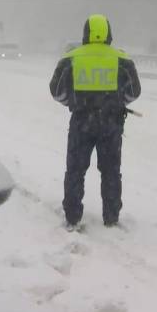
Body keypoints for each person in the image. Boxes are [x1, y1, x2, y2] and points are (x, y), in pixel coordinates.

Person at [49, 14, 141, 230]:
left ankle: (72, 217)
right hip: (111, 124)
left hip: (81, 122)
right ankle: (111, 216)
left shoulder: (71, 58)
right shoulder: (122, 59)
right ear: (109, 34)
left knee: (75, 170)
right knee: (110, 171)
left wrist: (73, 103)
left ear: (85, 33)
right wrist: (116, 103)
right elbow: (134, 91)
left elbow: (56, 91)